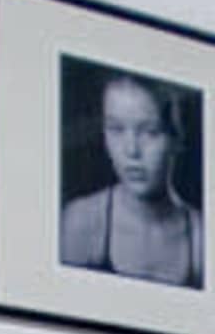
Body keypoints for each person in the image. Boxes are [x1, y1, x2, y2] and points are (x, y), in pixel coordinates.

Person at [57, 69, 203, 289]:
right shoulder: (80, 222)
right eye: (116, 129)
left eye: (150, 132)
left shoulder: (202, 239)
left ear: (176, 139)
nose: (132, 150)